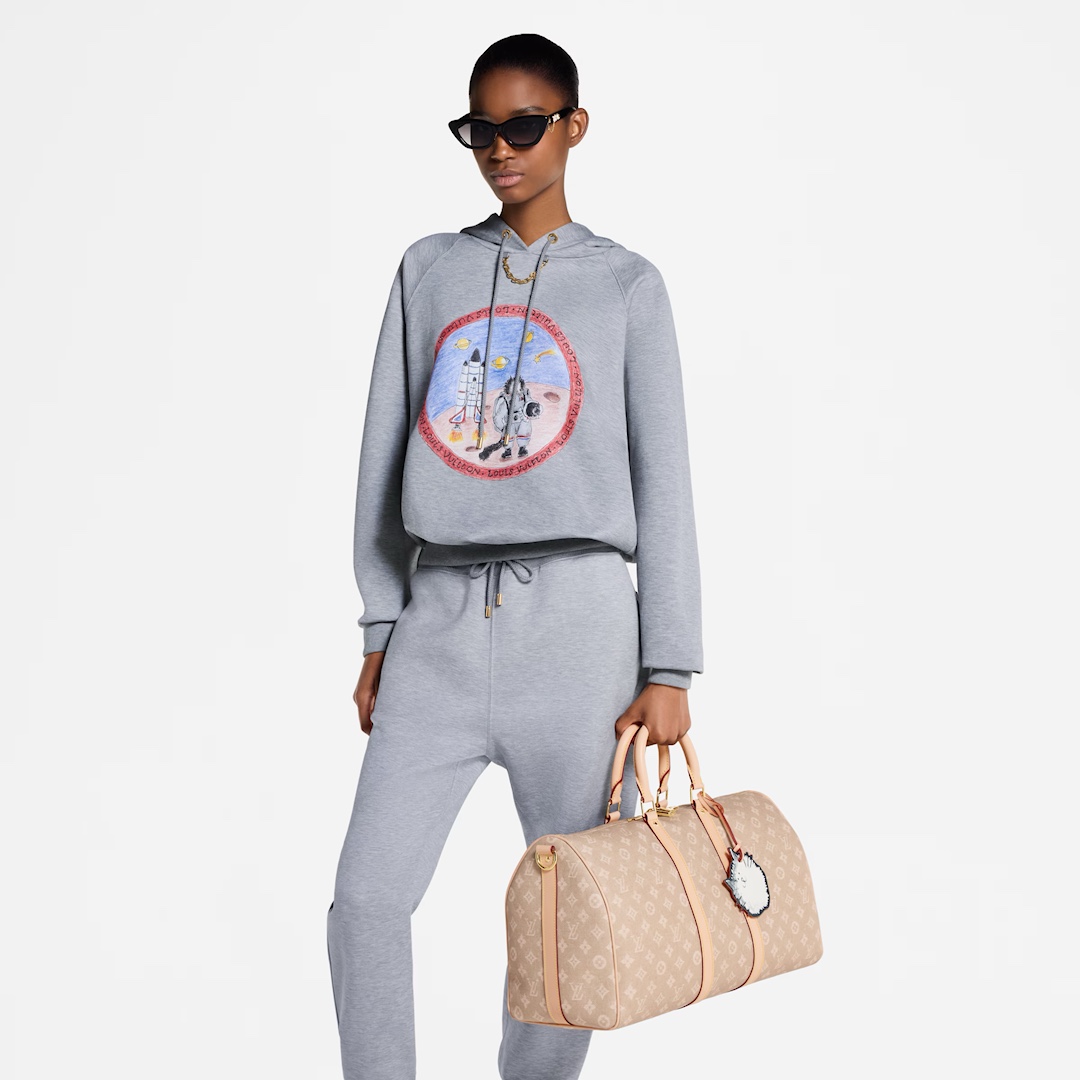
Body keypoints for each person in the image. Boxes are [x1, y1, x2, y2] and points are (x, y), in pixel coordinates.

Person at [326, 32, 704, 1080]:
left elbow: (666, 480)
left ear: (574, 126)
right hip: (440, 623)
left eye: (525, 126)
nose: (501, 149)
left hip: (582, 634)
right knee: (365, 899)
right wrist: (381, 626)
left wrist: (670, 666)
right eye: (481, 129)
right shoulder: (429, 270)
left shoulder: (626, 286)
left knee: (572, 908)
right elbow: (383, 456)